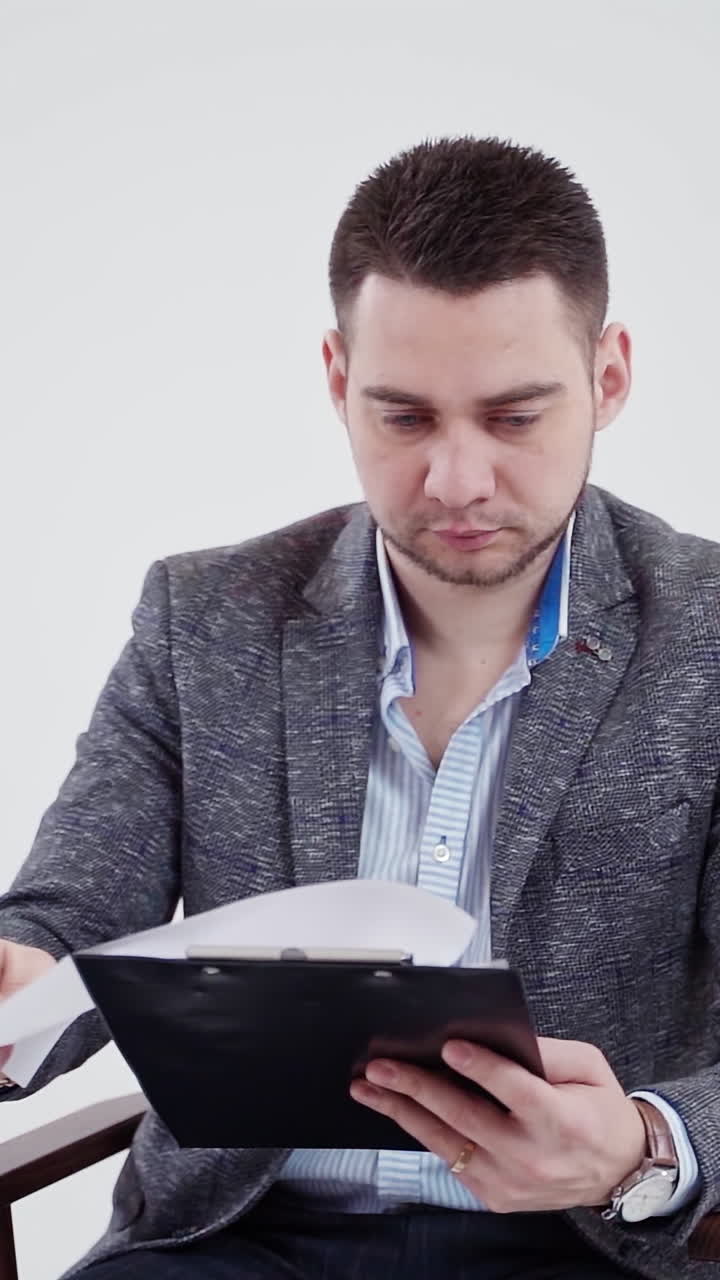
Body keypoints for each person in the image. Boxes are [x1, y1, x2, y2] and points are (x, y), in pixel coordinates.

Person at [1, 134, 719, 1280]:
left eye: (517, 416)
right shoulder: (204, 615)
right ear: (338, 379)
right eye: (404, 418)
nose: (458, 480)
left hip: (588, 1245)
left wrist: (646, 1143)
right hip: (237, 1239)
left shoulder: (709, 633)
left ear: (611, 376)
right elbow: (69, 919)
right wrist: (18, 981)